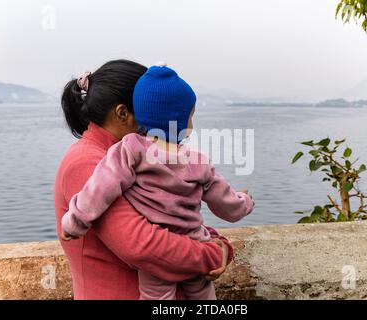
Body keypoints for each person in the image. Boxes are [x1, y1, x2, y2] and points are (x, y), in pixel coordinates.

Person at [54, 60, 233, 300]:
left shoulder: (130, 160)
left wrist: (218, 242)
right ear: (123, 113)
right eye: (150, 113)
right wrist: (213, 254)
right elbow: (142, 245)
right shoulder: (87, 163)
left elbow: (170, 220)